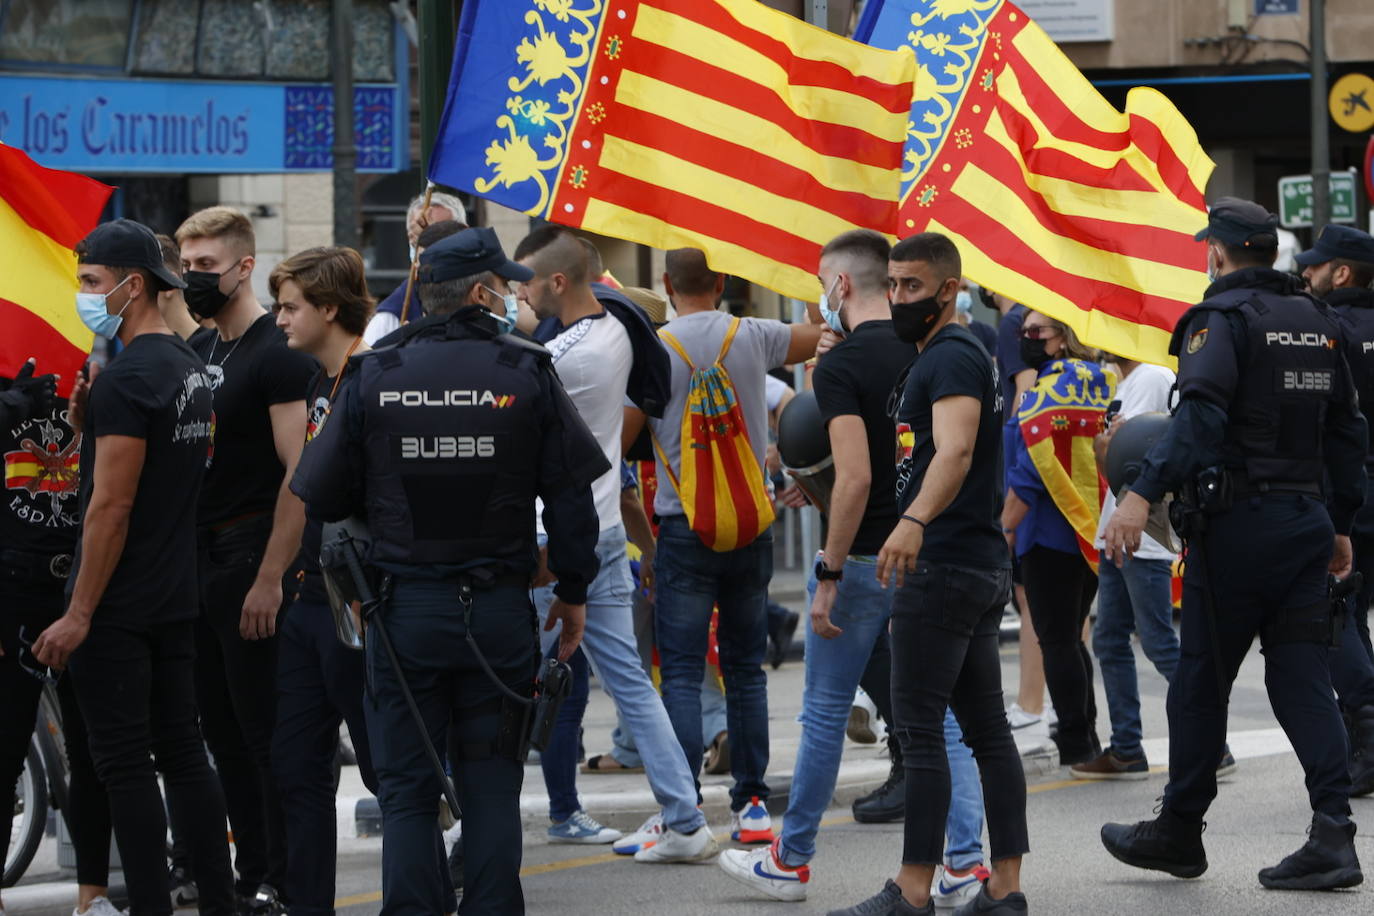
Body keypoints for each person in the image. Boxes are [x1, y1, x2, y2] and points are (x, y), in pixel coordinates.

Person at [290, 226, 608, 914]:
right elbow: (573, 501)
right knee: (491, 786)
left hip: (403, 614)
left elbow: (319, 492)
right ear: (477, 293)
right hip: (496, 611)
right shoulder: (526, 369)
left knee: (406, 791)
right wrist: (574, 590)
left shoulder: (376, 371)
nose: (511, 293)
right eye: (502, 283)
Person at [1101, 197, 1367, 890]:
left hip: (1241, 526)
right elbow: (1346, 430)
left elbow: (1199, 421)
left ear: (1217, 253)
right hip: (1306, 522)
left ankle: (1179, 830)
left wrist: (1136, 494)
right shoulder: (1317, 320)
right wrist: (1339, 521)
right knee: (1302, 674)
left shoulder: (1220, 321)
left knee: (1199, 683)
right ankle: (1333, 835)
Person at [720, 230, 990, 909]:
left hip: (865, 558)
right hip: (931, 553)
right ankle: (966, 862)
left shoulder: (838, 366)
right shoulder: (933, 345)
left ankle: (791, 859)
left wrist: (829, 568)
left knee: (825, 710)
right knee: (944, 719)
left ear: (839, 287)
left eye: (820, 282)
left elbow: (855, 477)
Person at [31, 218, 236, 916]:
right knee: (183, 753)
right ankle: (218, 900)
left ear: (133, 285)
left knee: (123, 765)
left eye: (92, 283)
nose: (85, 296)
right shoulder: (185, 366)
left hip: (118, 604)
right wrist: (92, 427)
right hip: (176, 591)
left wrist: (80, 612)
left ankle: (150, 905)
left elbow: (111, 507)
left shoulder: (130, 377)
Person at [833, 232, 1027, 916]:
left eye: (911, 287)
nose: (897, 298)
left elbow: (955, 449)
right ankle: (1004, 888)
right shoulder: (963, 349)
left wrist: (911, 522)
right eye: (891, 285)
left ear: (947, 289)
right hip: (974, 563)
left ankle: (913, 891)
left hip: (943, 563)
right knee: (986, 731)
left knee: (919, 731)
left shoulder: (948, 356)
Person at [512, 226, 717, 861]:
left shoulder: (563, 357)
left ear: (557, 281)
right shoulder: (618, 330)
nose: (520, 294)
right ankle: (684, 818)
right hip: (600, 529)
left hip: (555, 538)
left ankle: (470, 821)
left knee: (513, 678)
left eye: (526, 281)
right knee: (627, 678)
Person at [639, 248, 819, 854]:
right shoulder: (756, 335)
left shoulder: (653, 348)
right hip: (750, 523)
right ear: (720, 283)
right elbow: (821, 337)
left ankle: (684, 809)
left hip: (683, 522)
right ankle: (753, 805)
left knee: (684, 674)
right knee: (747, 671)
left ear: (666, 284)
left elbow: (625, 433)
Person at [178, 206, 315, 912]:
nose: (194, 276)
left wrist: (270, 576)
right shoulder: (205, 350)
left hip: (250, 555)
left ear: (242, 266)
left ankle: (282, 878)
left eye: (206, 265)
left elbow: (299, 471)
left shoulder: (275, 352)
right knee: (221, 732)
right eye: (187, 264)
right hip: (201, 562)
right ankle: (250, 871)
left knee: (264, 733)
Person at [268, 246, 381, 914]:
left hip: (358, 604)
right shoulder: (317, 381)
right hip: (308, 598)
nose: (280, 319)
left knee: (382, 767)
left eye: (290, 307)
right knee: (296, 768)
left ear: (329, 308)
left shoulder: (371, 379)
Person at [0, 356, 120, 916]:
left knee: (94, 751)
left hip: (86, 578)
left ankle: (91, 894)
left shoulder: (102, 355)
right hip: (12, 588)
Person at [1000, 310, 1112, 766]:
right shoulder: (1091, 379)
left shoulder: (1055, 388)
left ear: (1062, 338)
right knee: (1068, 637)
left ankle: (1077, 742)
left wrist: (1004, 530)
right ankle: (1082, 734)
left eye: (1036, 332)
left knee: (1058, 640)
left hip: (1050, 529)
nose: (1025, 338)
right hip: (1083, 528)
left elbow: (1033, 471)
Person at [1072, 355, 1180, 779]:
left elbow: (1154, 459)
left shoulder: (1154, 376)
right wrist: (1105, 449)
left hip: (1144, 536)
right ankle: (1127, 749)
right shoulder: (1122, 383)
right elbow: (1114, 467)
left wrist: (1109, 447)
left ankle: (1215, 742)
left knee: (1157, 643)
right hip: (1115, 530)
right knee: (1110, 640)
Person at [1298, 223, 1374, 796]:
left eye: (1317, 265)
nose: (1307, 272)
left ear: (1341, 273)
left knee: (1340, 615)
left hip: (1349, 496)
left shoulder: (1329, 331)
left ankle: (1366, 735)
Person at [991, 293, 1048, 737]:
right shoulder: (1044, 313)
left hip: (1031, 478)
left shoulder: (1014, 324)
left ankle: (1031, 704)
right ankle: (1063, 706)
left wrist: (1012, 489)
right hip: (1061, 476)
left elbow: (1025, 395)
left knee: (1032, 595)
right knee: (1065, 602)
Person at [363, 192, 468, 344]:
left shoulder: (485, 293)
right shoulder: (391, 319)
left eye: (443, 235)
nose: (431, 243)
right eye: (423, 236)